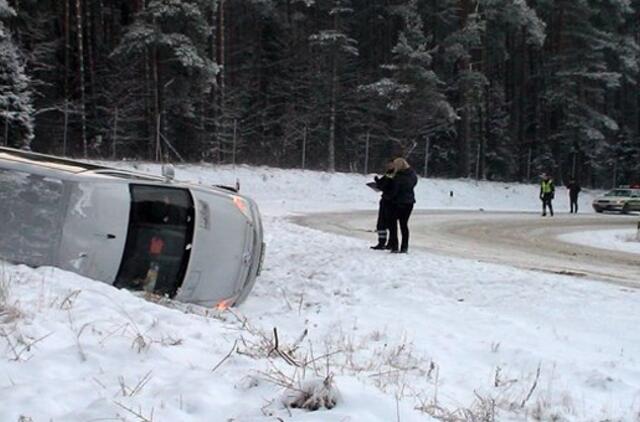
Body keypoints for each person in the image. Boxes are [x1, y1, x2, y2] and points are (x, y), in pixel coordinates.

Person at [387, 158, 417, 253]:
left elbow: (394, 190)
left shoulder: (398, 176)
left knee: (392, 224)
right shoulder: (413, 175)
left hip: (397, 202)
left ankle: (394, 246)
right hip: (409, 203)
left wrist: (387, 195)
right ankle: (404, 246)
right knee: (404, 225)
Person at [371, 161, 395, 250]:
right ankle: (387, 243)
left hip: (388, 200)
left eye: (390, 164)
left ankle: (383, 243)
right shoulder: (390, 174)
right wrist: (378, 181)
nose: (388, 166)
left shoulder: (392, 174)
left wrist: (378, 183)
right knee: (386, 223)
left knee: (383, 223)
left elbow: (385, 185)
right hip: (388, 200)